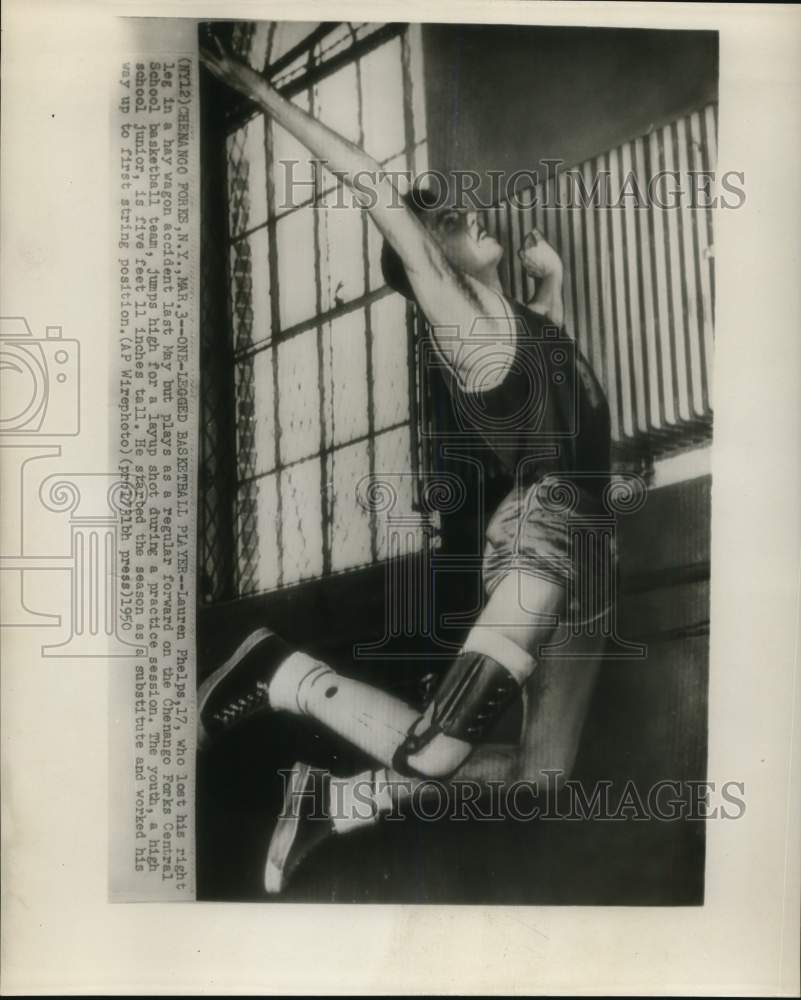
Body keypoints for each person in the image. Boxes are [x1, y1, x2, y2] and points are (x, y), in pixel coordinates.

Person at [197, 35, 614, 894]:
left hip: (595, 550)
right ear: (426, 264)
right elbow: (374, 188)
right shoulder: (459, 323)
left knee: (535, 785)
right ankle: (287, 679)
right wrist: (251, 87)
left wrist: (551, 290)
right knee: (433, 754)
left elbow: (555, 404)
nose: (465, 217)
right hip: (545, 538)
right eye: (446, 223)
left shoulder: (509, 320)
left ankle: (332, 781)